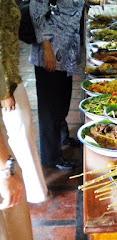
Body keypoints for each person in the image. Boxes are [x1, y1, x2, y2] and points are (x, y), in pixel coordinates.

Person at [0, 0, 49, 203]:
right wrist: (5, 92)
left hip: (12, 76)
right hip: (7, 82)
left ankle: (35, 191)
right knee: (22, 136)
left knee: (23, 134)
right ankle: (35, 192)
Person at [29, 0, 84, 170]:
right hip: (51, 52)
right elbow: (37, 13)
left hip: (66, 52)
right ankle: (51, 157)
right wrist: (47, 50)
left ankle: (62, 137)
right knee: (50, 109)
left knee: (62, 99)